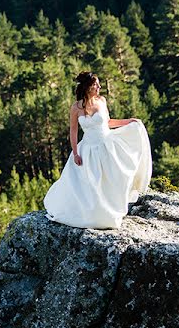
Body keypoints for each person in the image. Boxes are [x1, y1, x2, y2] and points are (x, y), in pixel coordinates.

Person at [43, 71, 152, 229]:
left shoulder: (101, 101)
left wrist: (129, 121)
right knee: (89, 184)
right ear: (87, 87)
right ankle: (92, 214)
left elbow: (108, 122)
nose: (99, 87)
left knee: (112, 178)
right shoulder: (76, 107)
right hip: (87, 149)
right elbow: (73, 132)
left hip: (107, 145)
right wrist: (75, 153)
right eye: (96, 85)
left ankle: (111, 211)